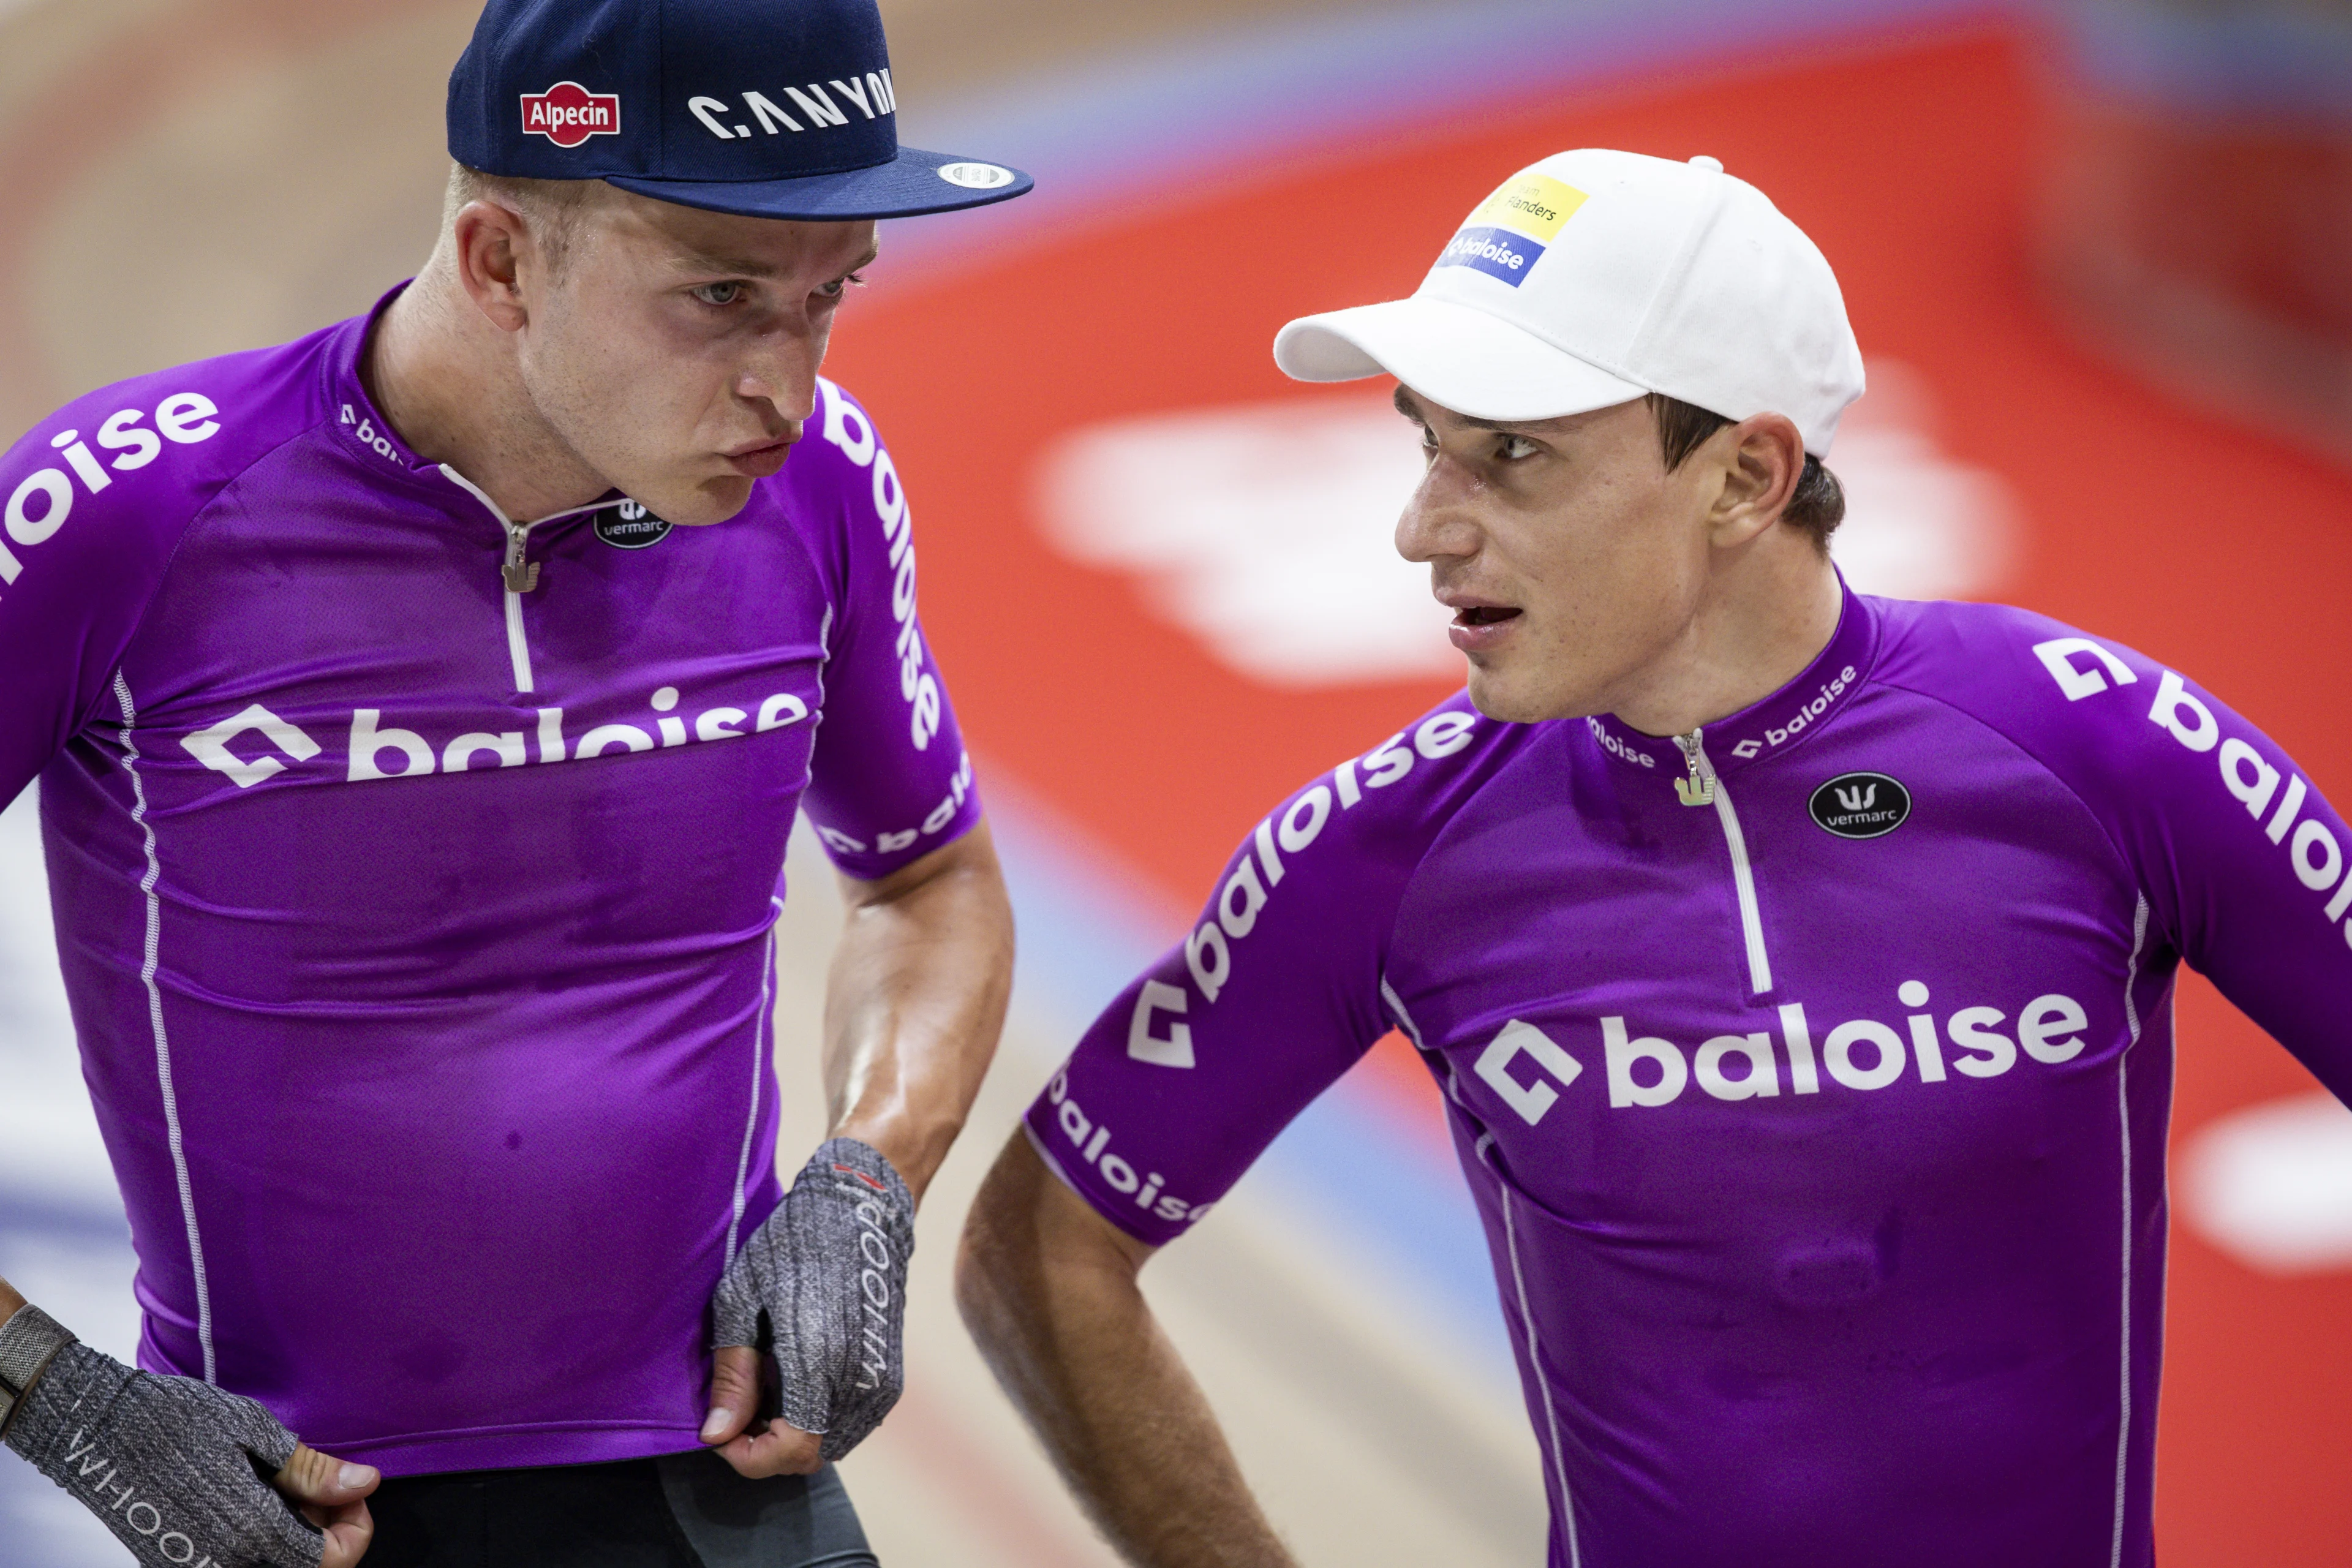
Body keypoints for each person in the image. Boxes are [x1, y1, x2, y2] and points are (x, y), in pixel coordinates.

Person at [954, 147, 2352, 1567]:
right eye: (1424, 441)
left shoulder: (2104, 755)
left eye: (1513, 454)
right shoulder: (1386, 848)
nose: (1423, 527)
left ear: (1746, 475)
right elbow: (1045, 1248)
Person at [0, 0, 1030, 1562]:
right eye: (723, 296)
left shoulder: (816, 485)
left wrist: (865, 1178)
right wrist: (48, 1385)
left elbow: (924, 876)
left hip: (723, 1472)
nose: (788, 385)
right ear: (498, 261)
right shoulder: (132, 508)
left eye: (830, 298)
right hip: (292, 1501)